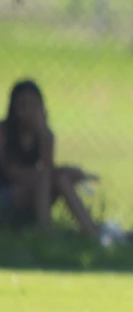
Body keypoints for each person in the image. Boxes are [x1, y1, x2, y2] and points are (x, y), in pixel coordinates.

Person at [0, 79, 102, 239]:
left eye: (34, 105)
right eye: (23, 105)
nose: (29, 111)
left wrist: (42, 134)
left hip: (34, 190)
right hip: (7, 195)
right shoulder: (4, 133)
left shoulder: (45, 135)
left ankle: (92, 233)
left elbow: (48, 168)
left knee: (61, 180)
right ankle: (46, 234)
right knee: (50, 177)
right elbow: (11, 173)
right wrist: (61, 172)